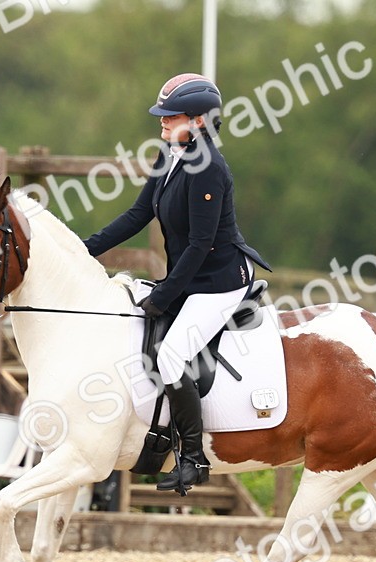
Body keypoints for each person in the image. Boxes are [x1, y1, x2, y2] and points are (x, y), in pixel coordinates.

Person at [84, 73, 271, 492]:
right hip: (191, 276)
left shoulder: (209, 170)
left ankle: (192, 458)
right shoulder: (169, 155)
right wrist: (85, 249)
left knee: (170, 357)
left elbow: (202, 244)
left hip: (220, 282)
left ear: (200, 121)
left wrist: (165, 295)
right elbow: (138, 215)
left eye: (172, 117)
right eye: (162, 117)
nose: (163, 124)